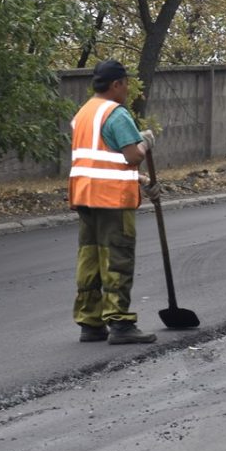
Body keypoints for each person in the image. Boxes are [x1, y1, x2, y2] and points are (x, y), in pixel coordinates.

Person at [68, 59, 159, 344]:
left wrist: (142, 181)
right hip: (112, 201)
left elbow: (101, 161)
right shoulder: (116, 114)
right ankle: (120, 324)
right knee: (117, 258)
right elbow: (132, 156)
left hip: (85, 196)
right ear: (116, 84)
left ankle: (90, 322)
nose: (128, 89)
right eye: (126, 84)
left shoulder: (84, 113)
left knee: (90, 258)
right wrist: (145, 142)